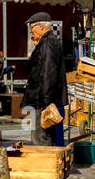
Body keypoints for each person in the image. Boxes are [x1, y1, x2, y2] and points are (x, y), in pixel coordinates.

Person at [25, 12, 66, 146]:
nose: (31, 31)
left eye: (32, 27)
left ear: (41, 26)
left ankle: (45, 165)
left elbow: (48, 73)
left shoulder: (48, 43)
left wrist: (45, 100)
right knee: (46, 135)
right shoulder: (48, 42)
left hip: (43, 99)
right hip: (44, 98)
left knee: (41, 137)